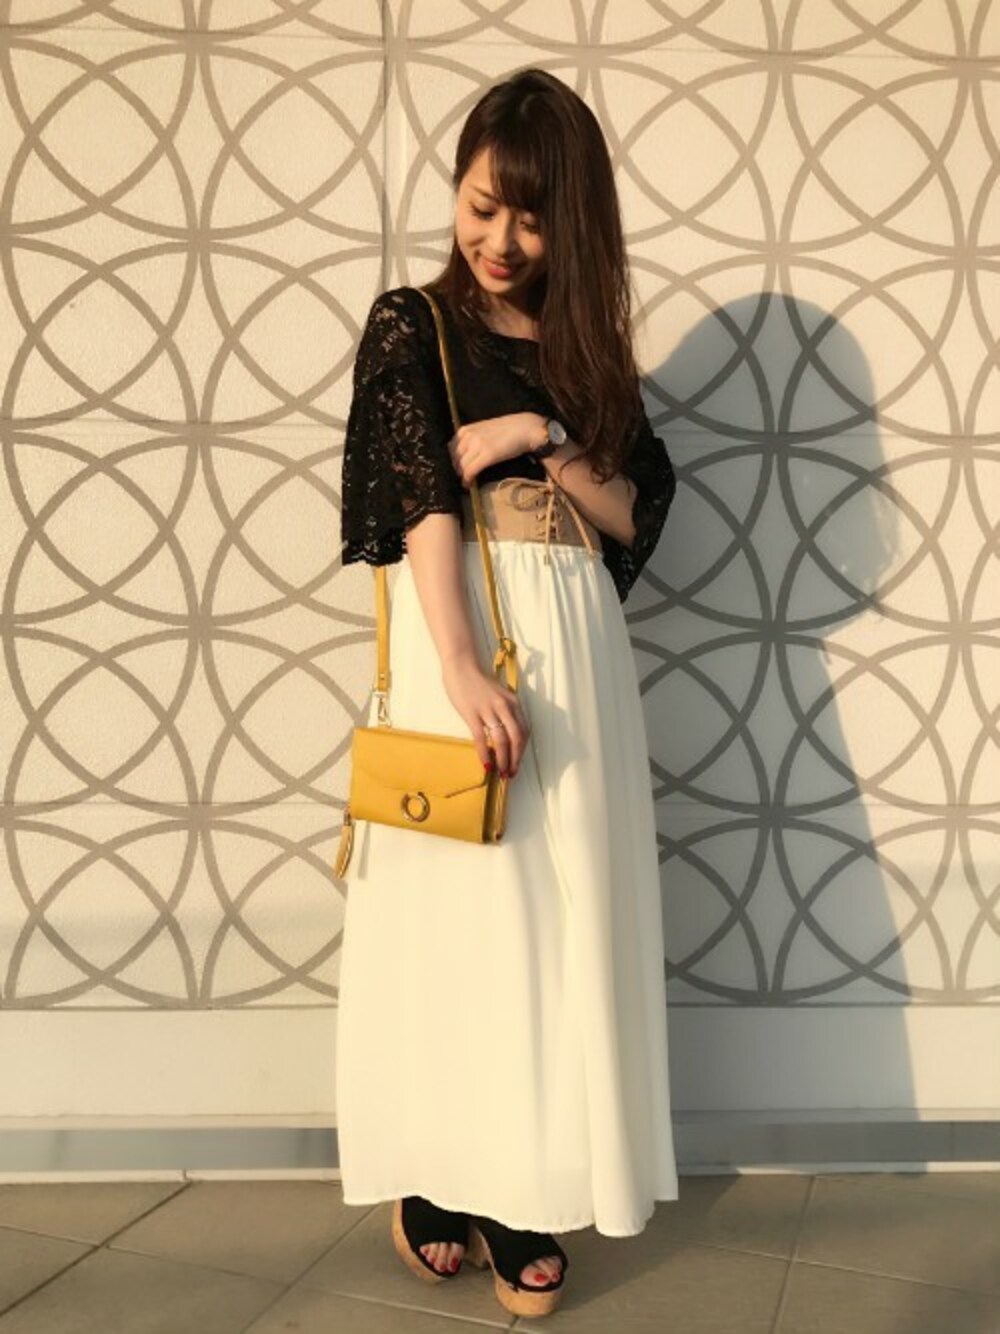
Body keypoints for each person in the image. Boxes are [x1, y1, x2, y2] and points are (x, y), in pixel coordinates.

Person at [336, 67, 679, 1319]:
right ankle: (440, 1171)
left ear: (569, 225)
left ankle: (521, 1180)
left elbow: (633, 510)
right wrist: (459, 660)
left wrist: (539, 431)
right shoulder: (412, 324)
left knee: (556, 923)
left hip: (578, 658)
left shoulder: (585, 352)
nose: (499, 240)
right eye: (482, 207)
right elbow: (419, 497)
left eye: (530, 220)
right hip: (467, 643)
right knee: (464, 919)